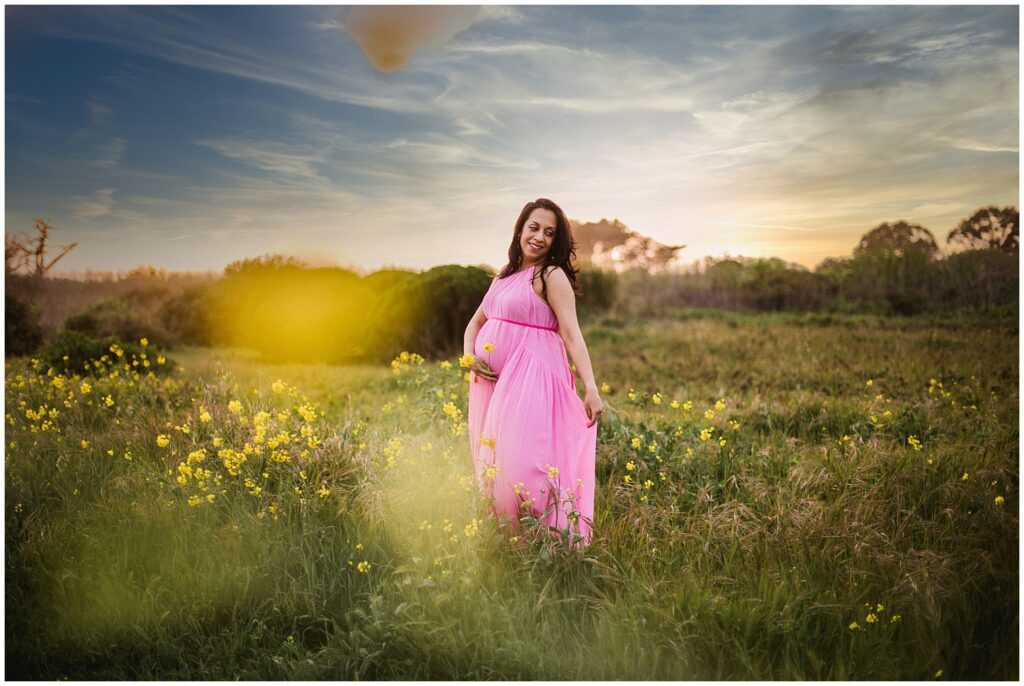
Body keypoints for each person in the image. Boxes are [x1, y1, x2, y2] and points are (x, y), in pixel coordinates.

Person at [463, 198, 603, 547]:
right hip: (493, 382)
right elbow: (475, 323)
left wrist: (591, 387)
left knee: (525, 462)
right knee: (495, 460)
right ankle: (506, 542)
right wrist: (469, 357)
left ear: (556, 241)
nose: (539, 237)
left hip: (533, 377)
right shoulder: (504, 275)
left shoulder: (550, 276)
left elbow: (571, 333)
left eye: (550, 233)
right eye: (534, 227)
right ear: (521, 229)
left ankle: (543, 541)